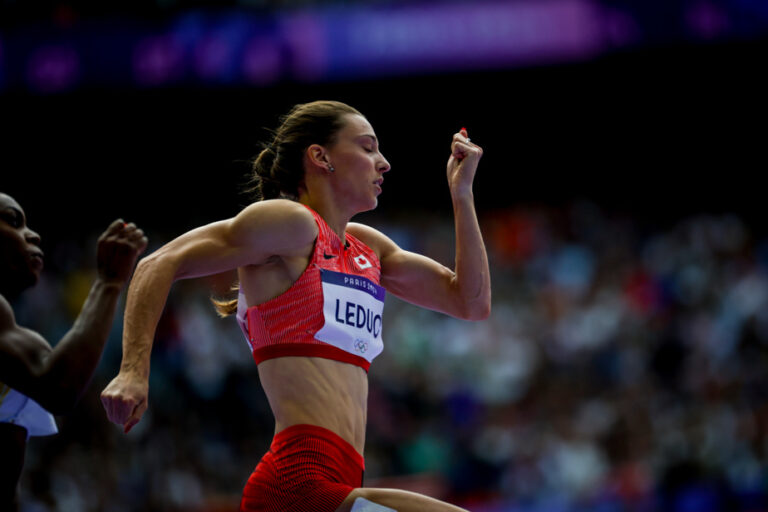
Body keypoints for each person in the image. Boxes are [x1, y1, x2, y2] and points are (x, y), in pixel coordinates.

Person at [100, 100, 490, 512]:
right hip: (298, 483)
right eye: (368, 147)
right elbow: (159, 262)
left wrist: (461, 194)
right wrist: (132, 371)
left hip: (340, 479)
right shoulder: (291, 225)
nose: (384, 162)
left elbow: (470, 301)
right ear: (321, 156)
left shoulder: (367, 248)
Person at [0, 192, 147, 510]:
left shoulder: (13, 335)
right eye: (13, 221)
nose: (33, 234)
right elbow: (58, 386)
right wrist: (108, 283)